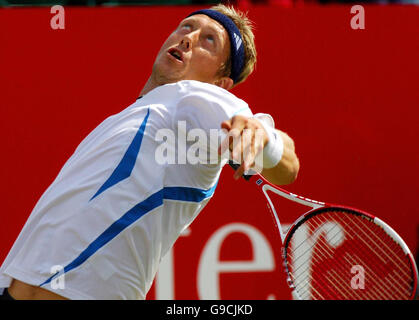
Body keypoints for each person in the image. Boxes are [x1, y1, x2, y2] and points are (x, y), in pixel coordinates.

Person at [0, 4, 299, 300]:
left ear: (221, 84)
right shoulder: (124, 119)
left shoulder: (194, 97)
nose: (188, 38)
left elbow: (288, 164)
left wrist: (265, 139)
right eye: (187, 26)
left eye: (209, 40)